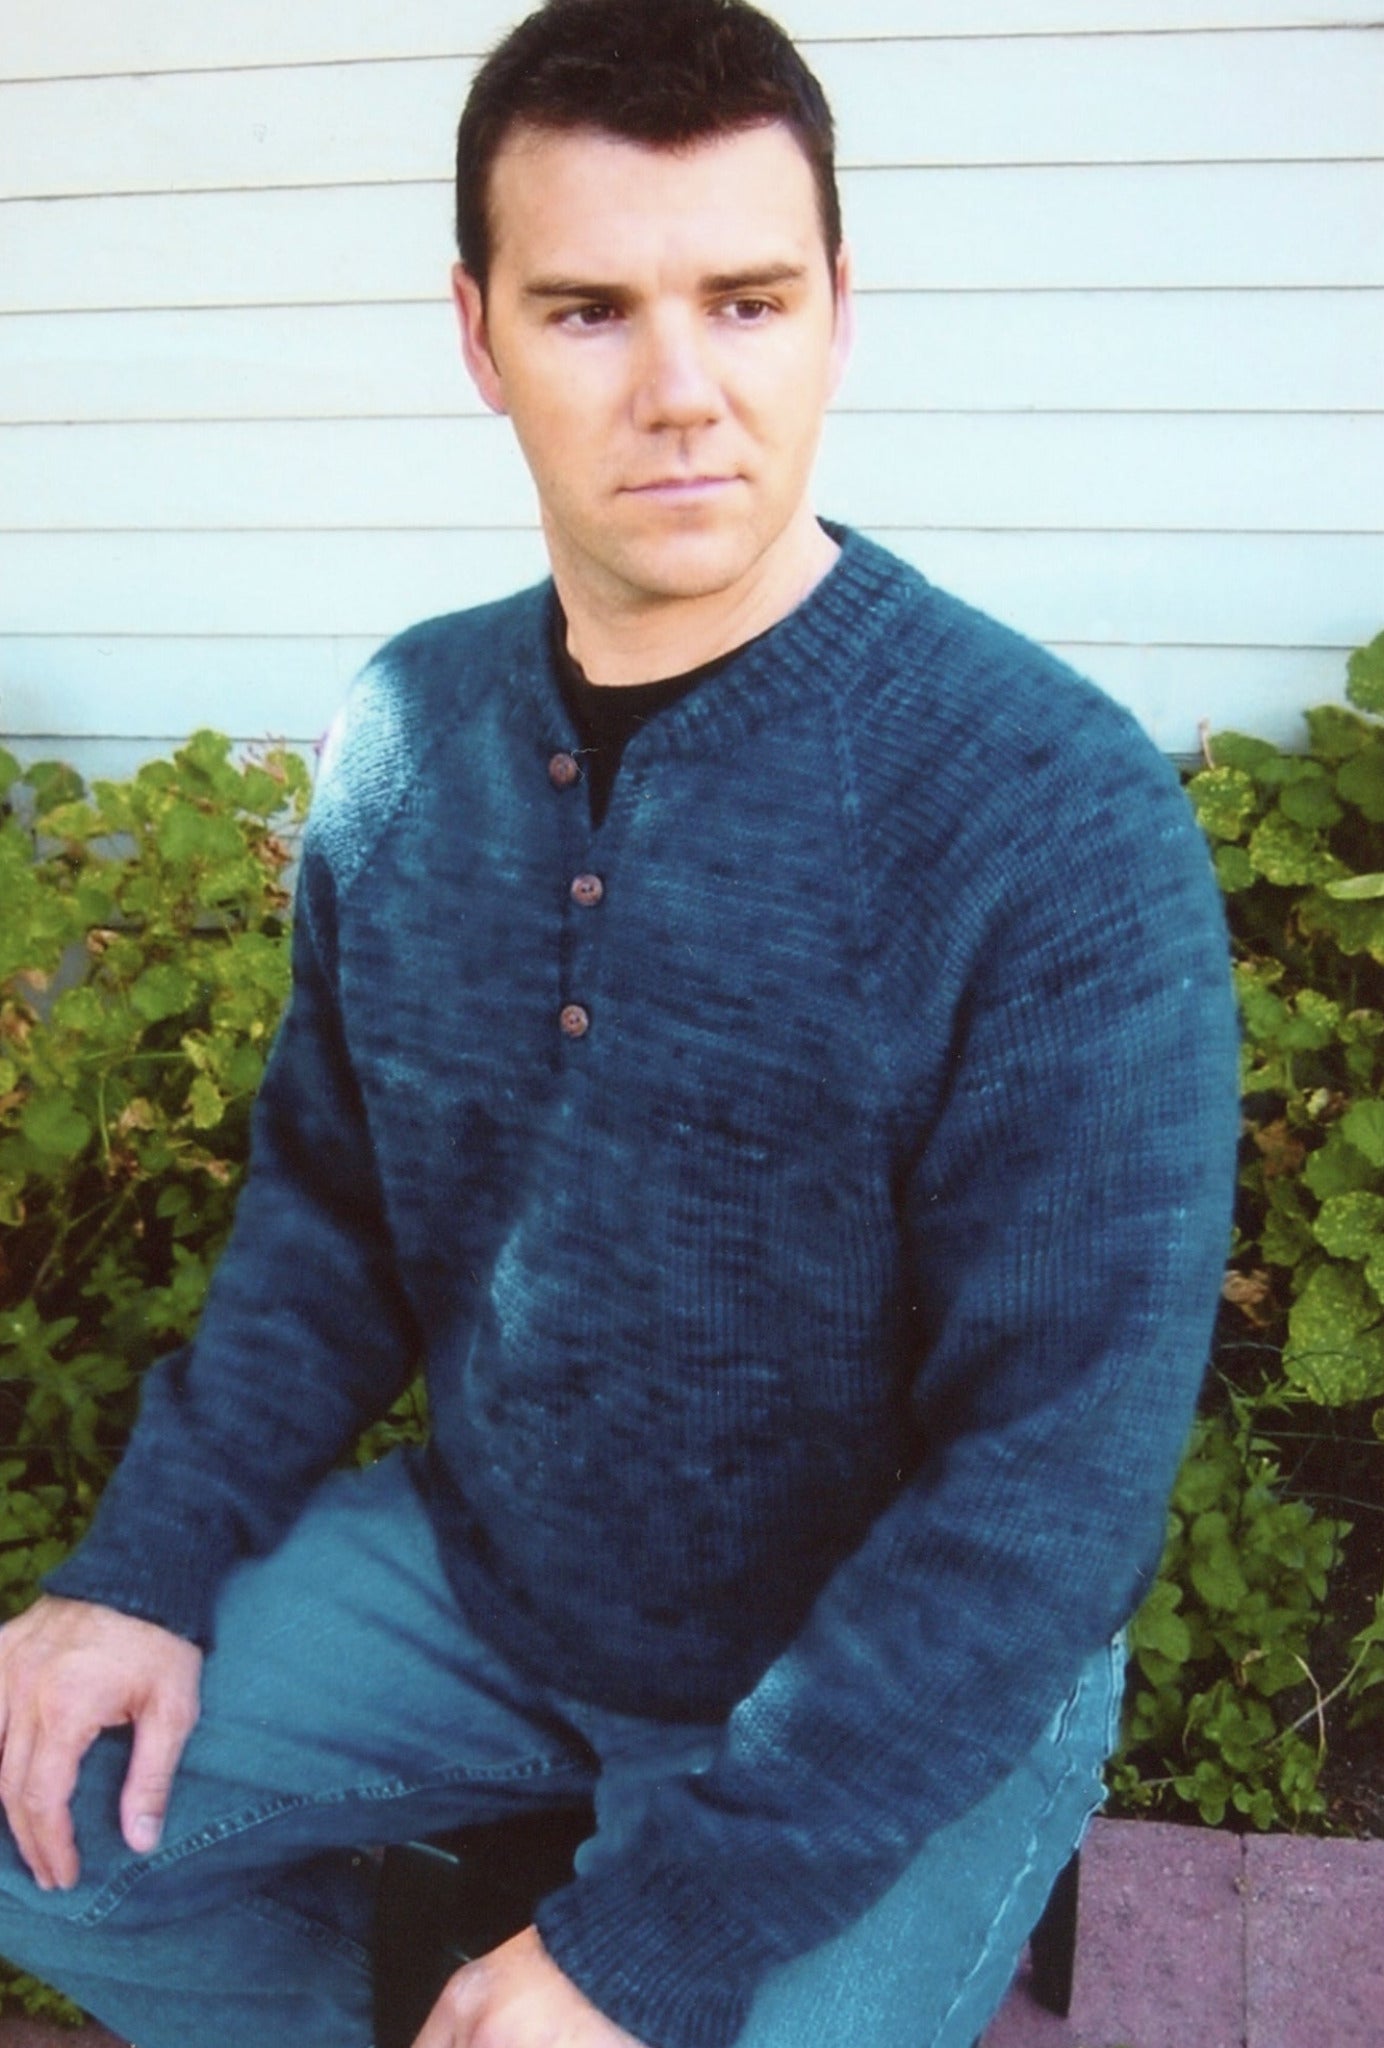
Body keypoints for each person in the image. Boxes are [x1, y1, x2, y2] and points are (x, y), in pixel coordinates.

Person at [0, 3, 1240, 2045]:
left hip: (897, 1691)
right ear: (477, 336)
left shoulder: (1043, 814)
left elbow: (1049, 1491)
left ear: (839, 311)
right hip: (502, 1586)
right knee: (42, 1814)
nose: (680, 392)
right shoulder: (413, 739)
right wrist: (142, 1565)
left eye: (743, 299)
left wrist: (635, 1948)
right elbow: (326, 1228)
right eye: (588, 310)